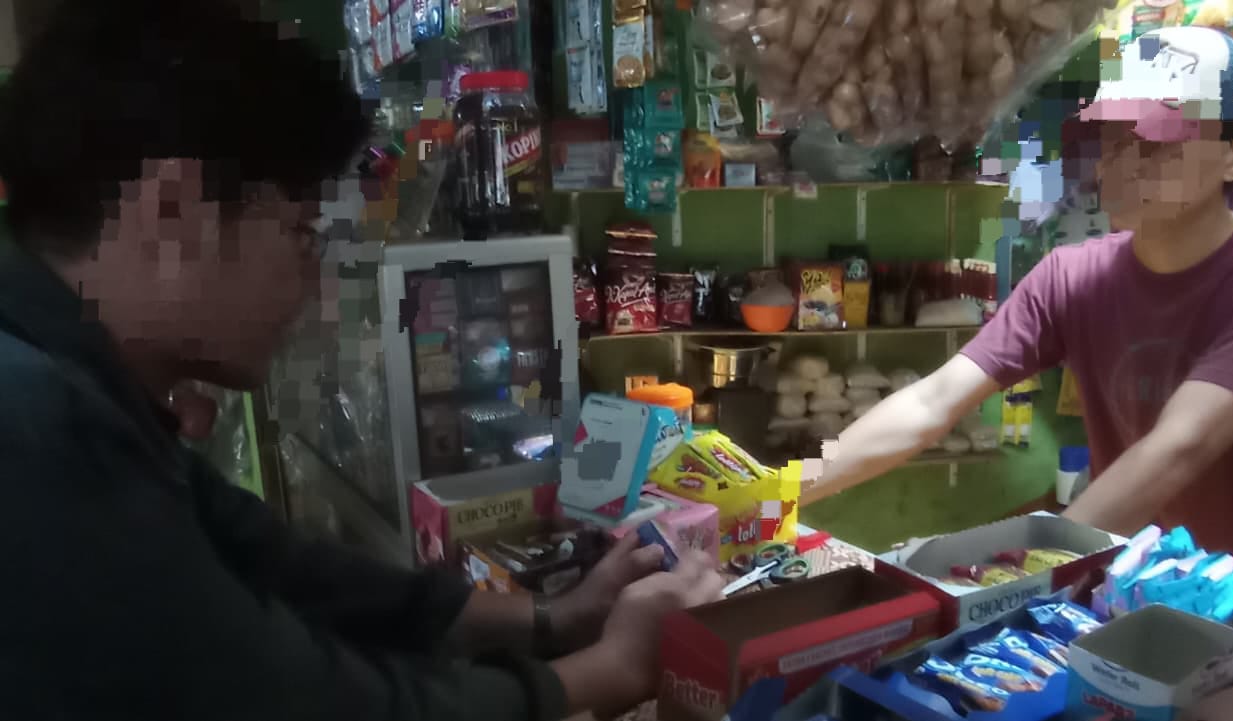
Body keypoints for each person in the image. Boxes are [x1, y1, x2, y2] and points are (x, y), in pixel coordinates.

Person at [0, 2, 721, 720]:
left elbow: (282, 568)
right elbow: (295, 700)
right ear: (173, 212)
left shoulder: (76, 388)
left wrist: (553, 617)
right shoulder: (37, 435)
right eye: (301, 231)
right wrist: (611, 671)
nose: (313, 283)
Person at [811, 26, 1233, 567]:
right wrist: (780, 489)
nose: (1122, 164)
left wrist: (1039, 569)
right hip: (1133, 588)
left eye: (1156, 143)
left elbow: (1182, 444)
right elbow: (931, 401)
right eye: (1113, 138)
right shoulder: (1071, 276)